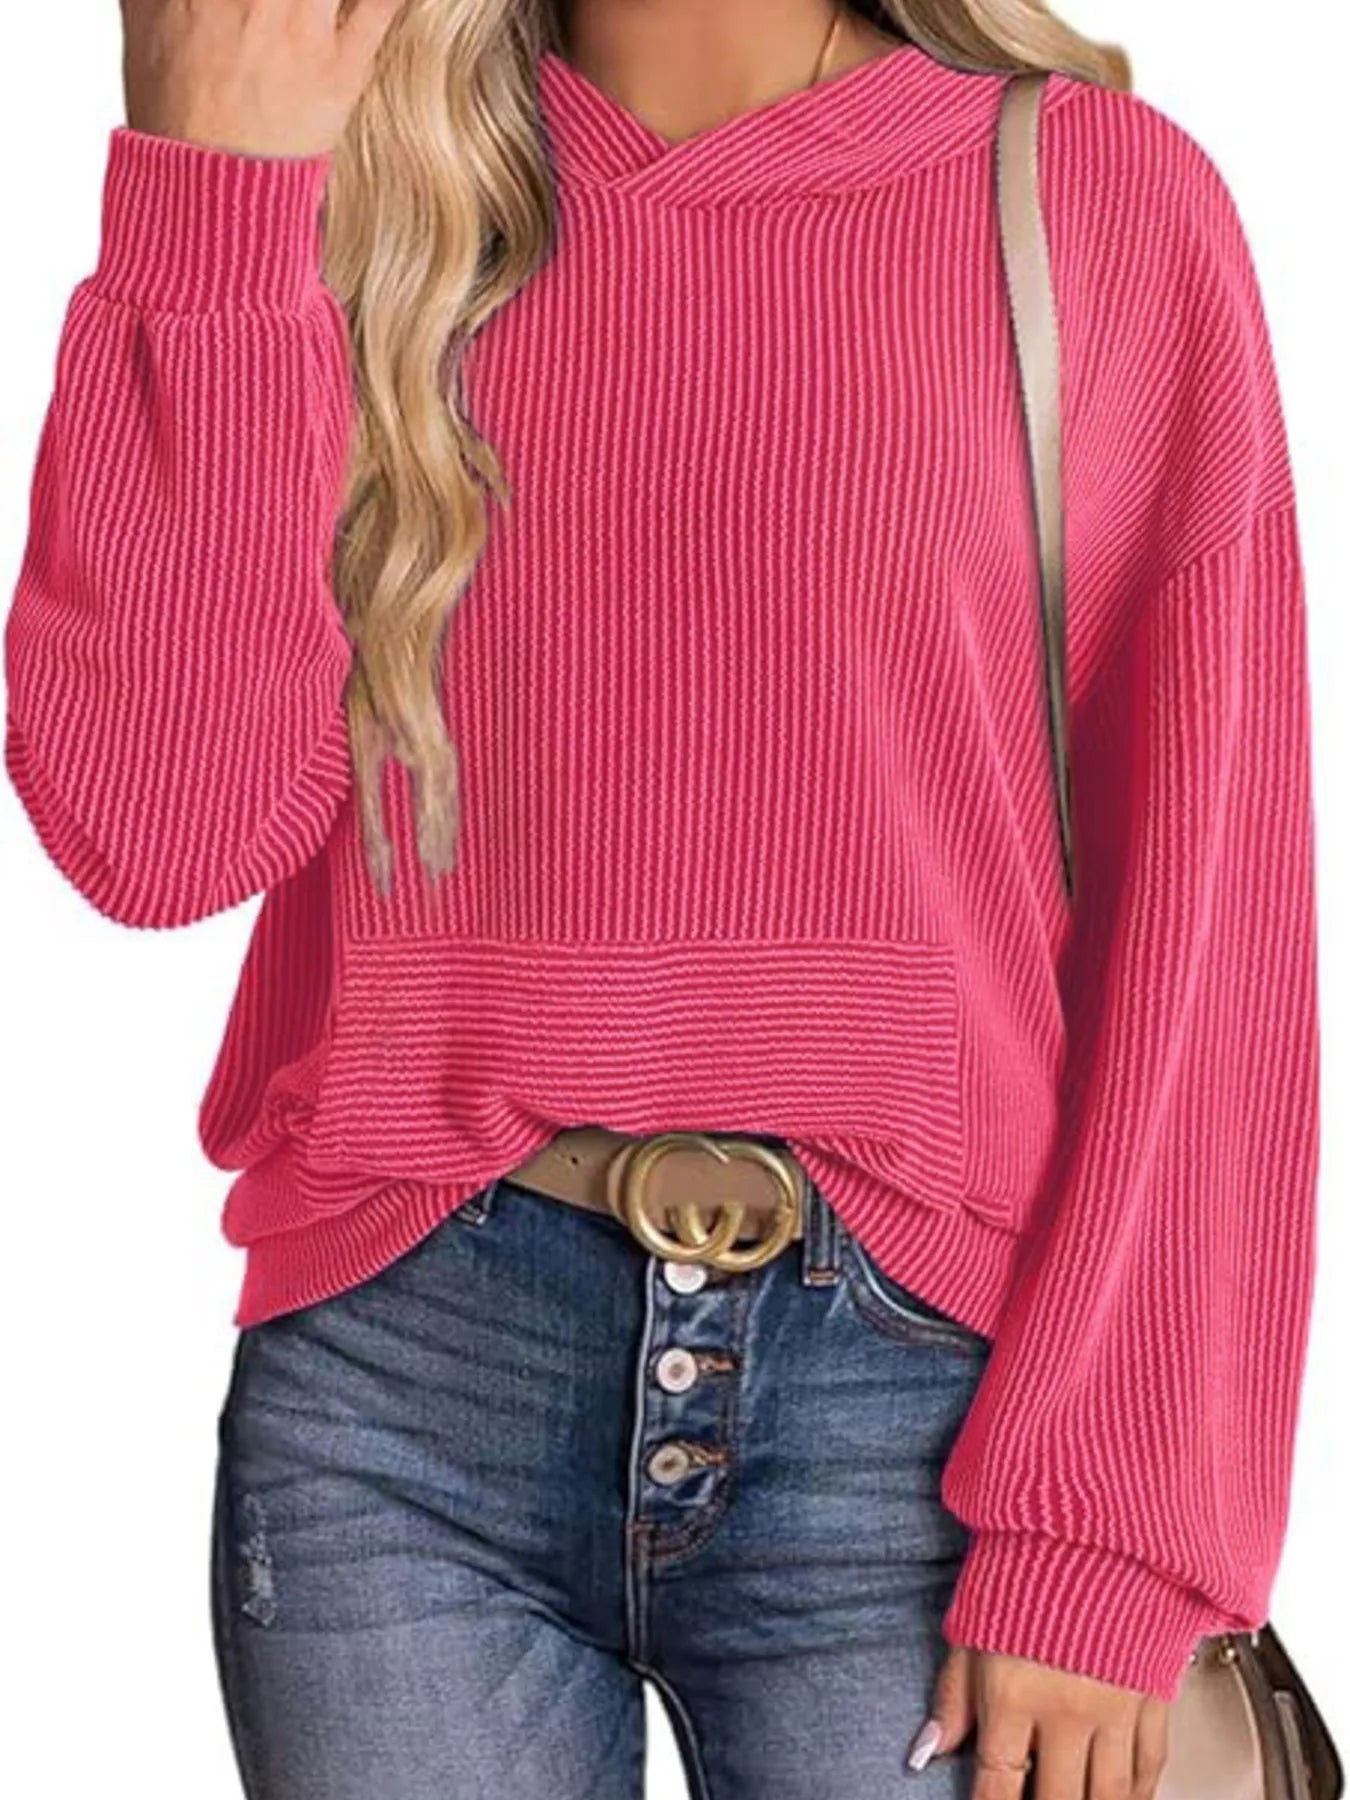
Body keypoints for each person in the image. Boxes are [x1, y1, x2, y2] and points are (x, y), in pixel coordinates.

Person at [3, 1, 1320, 1797]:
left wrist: (1110, 1529)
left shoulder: (1088, 200)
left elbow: (1214, 914)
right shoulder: (338, 181)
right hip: (397, 1405)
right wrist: (210, 194)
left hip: (915, 1422)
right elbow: (153, 832)